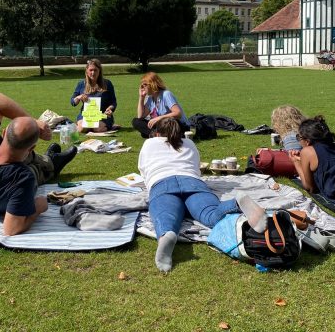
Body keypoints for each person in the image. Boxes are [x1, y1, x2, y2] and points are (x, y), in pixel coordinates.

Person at [138, 118, 267, 272]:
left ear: (157, 133)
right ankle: (237, 203)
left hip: (163, 184)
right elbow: (196, 168)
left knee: (165, 215)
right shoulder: (189, 143)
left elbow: (144, 170)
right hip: (192, 182)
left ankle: (167, 234)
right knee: (211, 214)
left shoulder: (149, 143)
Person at [0, 93, 78, 236]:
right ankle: (52, 164)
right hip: (16, 173)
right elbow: (11, 229)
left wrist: (34, 122)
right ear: (32, 148)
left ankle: (48, 160)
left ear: (4, 133)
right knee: (35, 170)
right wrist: (38, 207)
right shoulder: (22, 177)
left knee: (16, 154)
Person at [132, 72, 190, 138]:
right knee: (136, 121)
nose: (143, 88)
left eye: (145, 85)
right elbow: (140, 116)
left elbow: (178, 113)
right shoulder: (151, 98)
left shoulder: (166, 94)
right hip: (164, 125)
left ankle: (155, 134)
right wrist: (141, 97)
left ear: (152, 84)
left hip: (178, 125)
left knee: (145, 132)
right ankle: (158, 134)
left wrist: (159, 118)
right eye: (142, 86)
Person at [70, 59, 117, 132]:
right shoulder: (81, 84)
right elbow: (73, 102)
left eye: (95, 70)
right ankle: (83, 124)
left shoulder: (107, 83)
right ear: (86, 71)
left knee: (97, 128)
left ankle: (109, 125)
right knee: (82, 129)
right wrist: (79, 97)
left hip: (102, 115)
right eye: (91, 70)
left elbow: (113, 102)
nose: (93, 73)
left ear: (99, 71)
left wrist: (110, 109)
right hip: (86, 114)